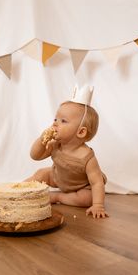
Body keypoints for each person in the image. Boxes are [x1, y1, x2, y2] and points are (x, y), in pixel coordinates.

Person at [26, 85, 109, 219]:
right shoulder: (55, 145)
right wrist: (41, 140)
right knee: (42, 173)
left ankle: (58, 196)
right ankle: (19, 191)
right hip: (58, 178)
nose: (55, 124)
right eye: (55, 119)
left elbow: (96, 183)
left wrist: (98, 205)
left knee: (86, 199)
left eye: (63, 121)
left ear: (81, 132)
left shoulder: (87, 157)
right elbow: (35, 156)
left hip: (80, 186)